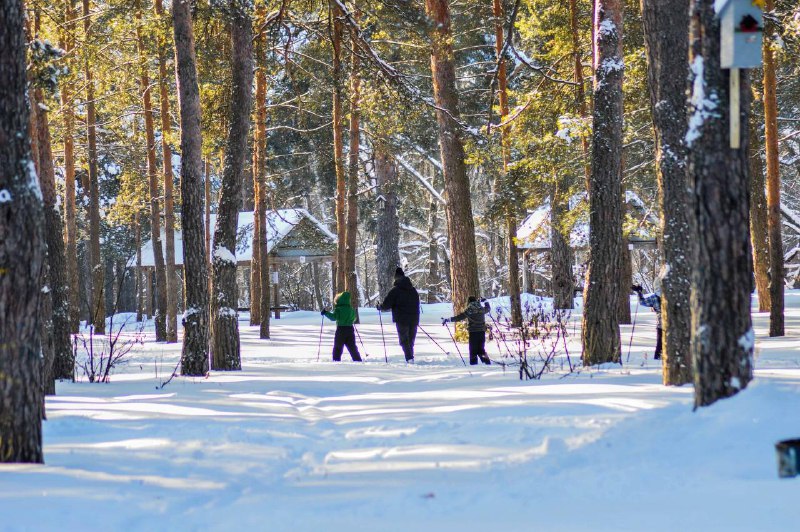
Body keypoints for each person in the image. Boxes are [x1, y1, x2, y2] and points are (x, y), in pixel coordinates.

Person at [377, 267, 420, 363]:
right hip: (414, 319)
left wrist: (380, 306)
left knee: (404, 340)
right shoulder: (413, 290)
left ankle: (409, 358)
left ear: (396, 278)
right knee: (410, 340)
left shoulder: (395, 291)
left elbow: (386, 305)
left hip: (402, 319)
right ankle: (410, 357)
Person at [443, 296, 491, 365]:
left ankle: (473, 365)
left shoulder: (469, 310)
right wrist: (486, 301)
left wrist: (448, 320)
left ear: (469, 302)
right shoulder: (482, 309)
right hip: (482, 332)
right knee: (481, 349)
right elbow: (488, 308)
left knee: (473, 350)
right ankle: (487, 364)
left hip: (473, 333)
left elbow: (459, 317)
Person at [322, 291, 362, 362]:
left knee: (338, 347)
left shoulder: (339, 309)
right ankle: (357, 360)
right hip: (350, 329)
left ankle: (336, 360)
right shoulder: (351, 309)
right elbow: (354, 318)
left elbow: (333, 318)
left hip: (341, 330)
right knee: (352, 347)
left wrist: (325, 313)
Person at [632, 284, 662, 360]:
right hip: (673, 324)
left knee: (660, 342)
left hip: (661, 323)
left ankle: (658, 357)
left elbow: (642, 302)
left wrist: (639, 293)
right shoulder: (674, 294)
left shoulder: (655, 297)